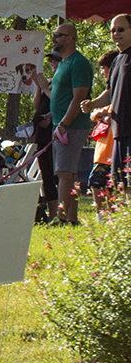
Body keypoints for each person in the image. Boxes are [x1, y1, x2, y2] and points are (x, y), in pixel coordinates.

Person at [46, 21, 94, 227]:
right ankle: (72, 219)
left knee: (63, 172)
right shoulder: (63, 63)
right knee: (69, 173)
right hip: (60, 124)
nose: (53, 38)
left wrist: (64, 123)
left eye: (57, 35)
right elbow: (59, 96)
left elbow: (78, 98)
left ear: (69, 38)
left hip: (71, 126)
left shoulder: (78, 63)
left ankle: (62, 218)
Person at [84, 15, 130, 214]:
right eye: (113, 30)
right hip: (119, 132)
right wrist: (93, 104)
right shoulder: (118, 59)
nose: (116, 34)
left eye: (121, 29)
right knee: (124, 185)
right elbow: (111, 93)